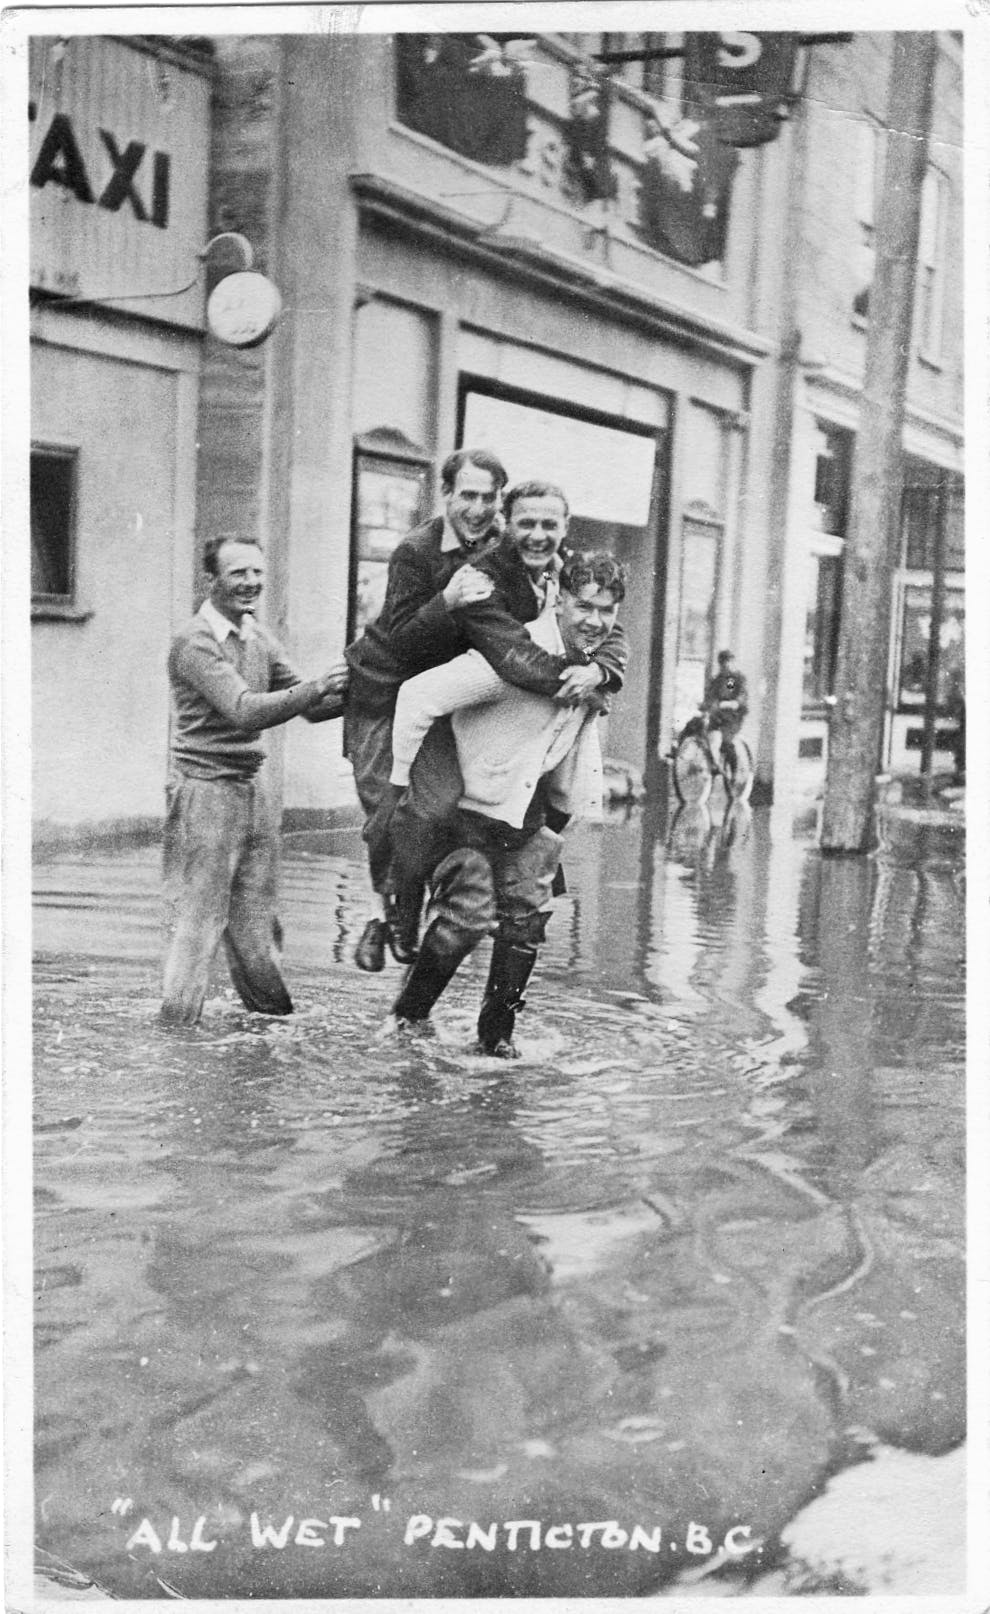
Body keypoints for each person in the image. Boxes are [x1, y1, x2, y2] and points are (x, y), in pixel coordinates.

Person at [345, 457, 626, 969]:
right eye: (465, 496)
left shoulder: (535, 552)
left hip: (462, 694)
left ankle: (468, 912)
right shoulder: (425, 554)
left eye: (487, 498)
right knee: (405, 802)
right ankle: (388, 912)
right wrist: (449, 600)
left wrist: (602, 672)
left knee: (524, 804)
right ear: (445, 494)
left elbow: (604, 619)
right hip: (389, 690)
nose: (476, 508)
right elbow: (443, 643)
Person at [383, 550, 627, 1057]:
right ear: (557, 596)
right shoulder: (510, 656)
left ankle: (496, 1040)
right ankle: (408, 1020)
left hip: (524, 817)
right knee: (467, 916)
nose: (595, 621)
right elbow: (416, 696)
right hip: (465, 815)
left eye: (607, 611)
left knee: (527, 923)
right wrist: (401, 791)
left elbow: (565, 748)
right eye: (584, 606)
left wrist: (567, 812)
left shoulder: (591, 668)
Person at [160, 535, 348, 1027]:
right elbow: (244, 711)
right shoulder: (194, 639)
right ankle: (176, 1033)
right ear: (211, 580)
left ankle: (272, 1025)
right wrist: (316, 687)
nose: (251, 583)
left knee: (255, 922)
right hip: (205, 787)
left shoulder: (256, 635)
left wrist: (370, 686)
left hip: (251, 787)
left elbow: (313, 709)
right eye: (238, 572)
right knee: (199, 923)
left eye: (257, 573)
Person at [701, 648, 749, 773]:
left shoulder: (733, 679)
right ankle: (715, 764)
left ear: (732, 662)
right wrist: (706, 704)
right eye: (722, 663)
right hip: (718, 715)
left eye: (727, 662)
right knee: (704, 732)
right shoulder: (718, 680)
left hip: (732, 717)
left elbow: (736, 697)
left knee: (727, 741)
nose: (725, 666)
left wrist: (728, 703)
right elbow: (711, 696)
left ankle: (734, 772)